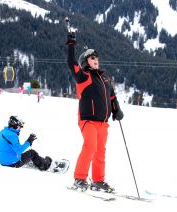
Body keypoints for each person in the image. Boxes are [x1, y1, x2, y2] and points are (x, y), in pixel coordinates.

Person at [67, 32, 124, 192]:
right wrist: (71, 44)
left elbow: (112, 95)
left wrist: (117, 110)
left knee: (100, 152)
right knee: (90, 147)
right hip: (88, 120)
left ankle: (98, 181)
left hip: (103, 123)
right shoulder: (83, 76)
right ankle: (79, 179)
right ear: (85, 62)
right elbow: (71, 64)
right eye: (92, 58)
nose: (96, 60)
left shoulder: (105, 77)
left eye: (96, 58)